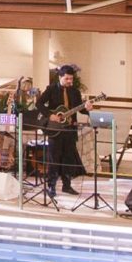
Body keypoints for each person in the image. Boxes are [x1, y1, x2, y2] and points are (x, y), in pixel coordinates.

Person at [37, 62, 89, 195]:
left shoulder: (75, 91)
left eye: (71, 79)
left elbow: (80, 109)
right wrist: (50, 115)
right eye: (67, 79)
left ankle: (67, 185)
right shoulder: (51, 89)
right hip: (55, 129)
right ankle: (51, 186)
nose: (69, 81)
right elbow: (39, 103)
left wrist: (87, 108)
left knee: (68, 158)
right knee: (54, 159)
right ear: (60, 77)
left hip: (69, 129)